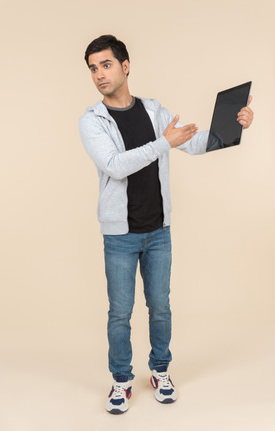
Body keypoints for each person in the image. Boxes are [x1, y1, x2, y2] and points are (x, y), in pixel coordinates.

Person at [79, 35, 254, 415]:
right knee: (120, 313)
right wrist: (164, 144)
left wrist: (235, 127)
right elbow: (115, 165)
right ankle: (122, 380)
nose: (99, 74)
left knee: (160, 306)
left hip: (159, 230)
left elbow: (191, 142)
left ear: (125, 66)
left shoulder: (155, 110)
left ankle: (160, 371)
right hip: (120, 235)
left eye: (106, 64)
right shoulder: (92, 121)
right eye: (93, 68)